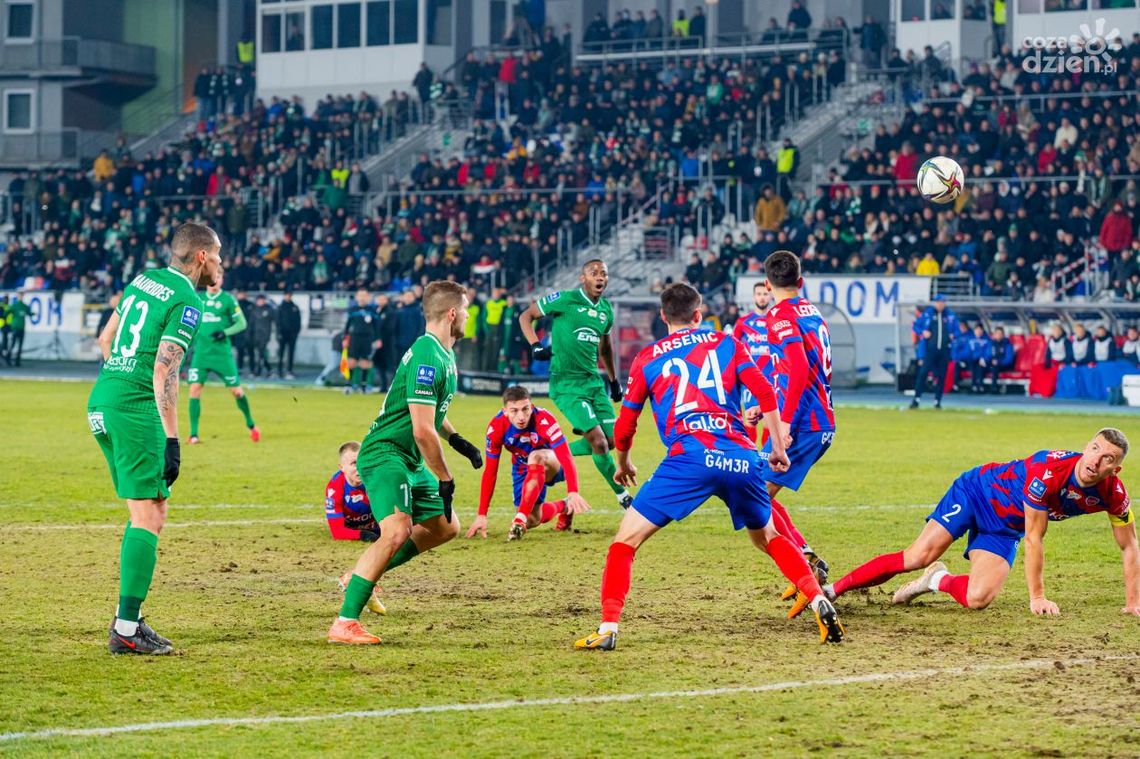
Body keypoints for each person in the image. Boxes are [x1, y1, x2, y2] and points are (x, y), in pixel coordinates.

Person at [573, 283, 844, 651]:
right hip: (742, 455)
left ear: (662, 317)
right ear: (698, 316)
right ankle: (817, 599)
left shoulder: (648, 357)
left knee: (625, 542)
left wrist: (623, 464)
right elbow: (765, 392)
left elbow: (625, 427)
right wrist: (778, 447)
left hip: (690, 458)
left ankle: (608, 628)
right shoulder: (727, 342)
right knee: (769, 537)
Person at [823, 429, 1138, 617]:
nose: (1095, 461)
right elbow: (1034, 538)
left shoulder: (1114, 495)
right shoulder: (1049, 469)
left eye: (1108, 458)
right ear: (1086, 447)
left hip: (1004, 527)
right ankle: (832, 591)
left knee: (978, 599)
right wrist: (1037, 597)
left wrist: (1133, 603)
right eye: (1094, 449)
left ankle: (935, 581)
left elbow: (1129, 547)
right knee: (919, 556)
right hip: (976, 493)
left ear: (1116, 469)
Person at [89, 222, 221, 654]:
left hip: (103, 400)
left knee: (152, 512)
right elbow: (164, 370)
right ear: (201, 257)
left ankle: (131, 620)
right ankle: (125, 629)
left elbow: (105, 339)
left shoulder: (141, 281)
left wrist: (119, 384)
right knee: (148, 517)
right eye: (218, 255)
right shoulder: (187, 298)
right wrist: (172, 439)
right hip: (135, 411)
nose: (222, 263)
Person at [327, 281, 484, 645]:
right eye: (466, 309)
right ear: (452, 314)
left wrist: (458, 439)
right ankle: (344, 623)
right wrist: (444, 476)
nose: (469, 315)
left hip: (407, 458)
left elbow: (431, 414)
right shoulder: (428, 356)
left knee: (445, 527)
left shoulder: (443, 352)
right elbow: (421, 430)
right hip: (386, 454)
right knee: (396, 530)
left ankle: (360, 577)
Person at [758, 251, 837, 616]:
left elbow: (800, 366)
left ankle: (807, 572)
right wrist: (767, 407)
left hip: (805, 424)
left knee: (754, 499)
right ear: (800, 281)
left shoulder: (780, 315)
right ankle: (806, 562)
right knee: (758, 495)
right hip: (815, 419)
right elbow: (792, 369)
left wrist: (783, 423)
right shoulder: (810, 310)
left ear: (768, 285)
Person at [519, 259, 633, 510]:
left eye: (604, 273)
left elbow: (605, 347)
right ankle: (623, 497)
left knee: (612, 441)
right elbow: (526, 316)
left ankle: (546, 452)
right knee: (600, 443)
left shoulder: (605, 311)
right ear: (583, 278)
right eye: (594, 273)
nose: (600, 277)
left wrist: (614, 381)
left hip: (593, 383)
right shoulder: (566, 299)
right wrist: (535, 345)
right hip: (566, 384)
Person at [467, 385, 591, 541]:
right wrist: (482, 514)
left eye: (525, 409)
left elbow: (566, 456)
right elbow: (490, 472)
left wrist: (573, 490)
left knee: (536, 456)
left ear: (531, 407)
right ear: (505, 411)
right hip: (522, 467)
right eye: (514, 411)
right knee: (533, 519)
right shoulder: (496, 428)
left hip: (554, 463)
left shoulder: (545, 419)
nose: (521, 416)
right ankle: (564, 507)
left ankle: (520, 517)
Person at [187, 275, 260, 444]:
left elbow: (242, 323)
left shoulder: (228, 300)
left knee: (237, 392)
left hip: (222, 354)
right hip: (201, 354)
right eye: (213, 277)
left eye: (219, 278)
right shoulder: (197, 298)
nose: (216, 281)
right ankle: (193, 434)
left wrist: (225, 332)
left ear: (222, 281)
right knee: (194, 389)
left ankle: (251, 425)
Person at [910, 296, 958, 409]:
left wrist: (953, 335)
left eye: (942, 302)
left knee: (941, 376)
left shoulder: (950, 316)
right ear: (935, 303)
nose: (940, 305)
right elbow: (916, 326)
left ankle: (937, 400)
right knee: (923, 373)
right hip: (930, 350)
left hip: (944, 350)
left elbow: (957, 330)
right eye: (938, 302)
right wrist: (923, 332)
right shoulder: (928, 314)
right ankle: (916, 398)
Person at [343, 289, 379, 394]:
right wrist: (345, 338)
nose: (362, 298)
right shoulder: (352, 310)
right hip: (355, 337)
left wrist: (377, 339)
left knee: (365, 361)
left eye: (365, 295)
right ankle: (348, 384)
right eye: (360, 295)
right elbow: (347, 326)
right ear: (357, 297)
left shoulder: (372, 310)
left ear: (368, 297)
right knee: (351, 361)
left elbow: (376, 326)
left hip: (368, 338)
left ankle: (363, 385)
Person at [248, 294, 275, 377]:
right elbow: (251, 324)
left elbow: (275, 321)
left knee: (260, 352)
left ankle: (258, 372)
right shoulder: (254, 310)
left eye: (262, 300)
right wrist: (249, 334)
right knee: (260, 353)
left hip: (265, 335)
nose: (260, 301)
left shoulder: (269, 309)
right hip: (256, 335)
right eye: (259, 300)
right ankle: (269, 369)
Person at [276, 291, 302, 379]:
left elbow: (298, 321)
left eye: (290, 295)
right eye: (287, 295)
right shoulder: (280, 307)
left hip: (292, 334)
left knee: (291, 353)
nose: (288, 297)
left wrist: (296, 332)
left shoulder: (295, 307)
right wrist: (279, 333)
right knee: (281, 353)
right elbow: (278, 322)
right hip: (283, 333)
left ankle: (289, 370)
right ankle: (279, 370)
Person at [986, 327, 1016, 393]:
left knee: (994, 367)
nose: (998, 335)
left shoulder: (1008, 344)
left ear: (1003, 335)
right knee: (980, 365)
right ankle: (978, 386)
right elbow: (987, 354)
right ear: (994, 334)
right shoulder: (991, 344)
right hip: (992, 363)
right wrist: (985, 360)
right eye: (997, 333)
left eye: (1000, 333)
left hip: (1004, 365)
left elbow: (1009, 359)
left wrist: (999, 362)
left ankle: (994, 388)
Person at [966, 324, 993, 393]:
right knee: (973, 364)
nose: (978, 331)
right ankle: (974, 386)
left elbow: (988, 352)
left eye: (980, 330)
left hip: (984, 361)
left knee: (980, 366)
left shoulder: (987, 340)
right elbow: (967, 351)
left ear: (982, 330)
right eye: (977, 330)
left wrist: (984, 358)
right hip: (972, 360)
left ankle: (980, 386)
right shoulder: (970, 339)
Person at [6, 291, 29, 367]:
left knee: (20, 346)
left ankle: (17, 361)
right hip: (15, 327)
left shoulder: (24, 306)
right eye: (20, 296)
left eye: (22, 296)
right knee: (12, 344)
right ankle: (8, 358)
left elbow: (29, 313)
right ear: (18, 296)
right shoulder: (14, 306)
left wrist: (33, 314)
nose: (21, 297)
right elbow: (6, 313)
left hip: (21, 327)